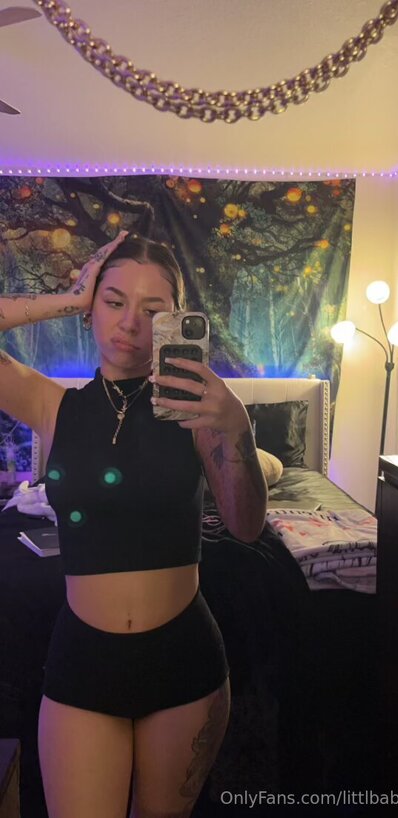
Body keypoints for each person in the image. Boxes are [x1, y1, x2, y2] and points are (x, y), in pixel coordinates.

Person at [0, 230, 268, 818]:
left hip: (184, 661)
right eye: (113, 301)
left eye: (152, 311)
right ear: (92, 308)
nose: (129, 324)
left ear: (175, 321)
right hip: (82, 662)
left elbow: (247, 526)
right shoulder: (54, 406)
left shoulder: (196, 410)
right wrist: (70, 296)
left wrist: (237, 428)